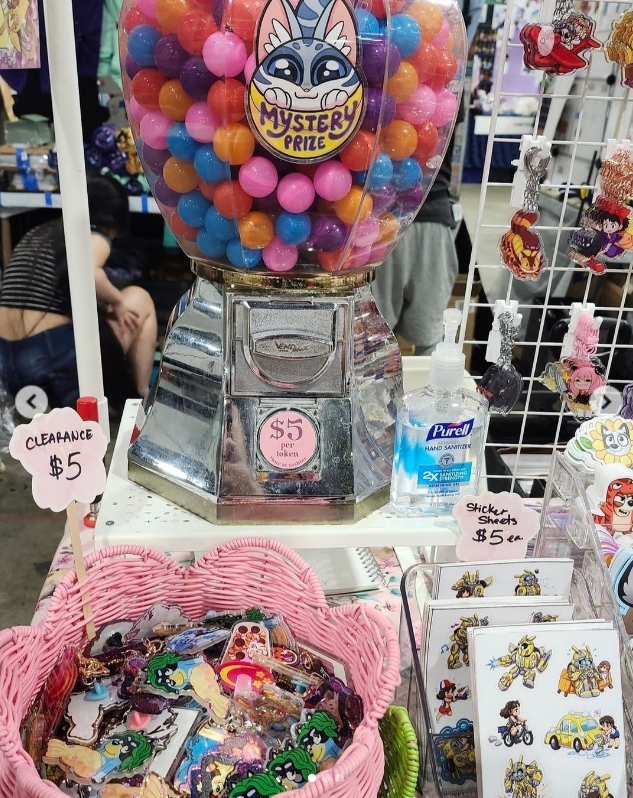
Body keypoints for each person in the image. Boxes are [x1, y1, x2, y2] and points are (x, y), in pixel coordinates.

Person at [0, 176, 157, 411]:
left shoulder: (38, 232)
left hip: (7, 362)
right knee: (138, 299)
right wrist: (118, 302)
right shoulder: (93, 232)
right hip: (49, 354)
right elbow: (90, 272)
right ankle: (140, 402)